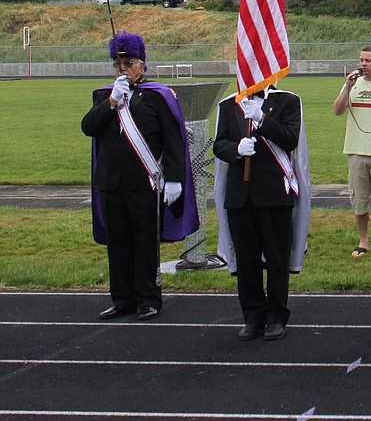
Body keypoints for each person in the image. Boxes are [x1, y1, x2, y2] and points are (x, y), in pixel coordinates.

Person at [81, 31, 198, 321]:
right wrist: (111, 102)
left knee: (145, 242)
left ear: (142, 64)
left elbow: (173, 140)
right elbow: (88, 127)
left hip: (145, 183)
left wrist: (174, 178)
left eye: (129, 63)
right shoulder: (103, 95)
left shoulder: (158, 96)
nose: (123, 69)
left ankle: (149, 298)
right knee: (118, 242)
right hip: (112, 183)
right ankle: (122, 299)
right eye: (119, 65)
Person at [214, 85, 309, 341]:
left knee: (277, 260)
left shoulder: (288, 101)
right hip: (239, 195)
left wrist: (262, 120)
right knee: (247, 261)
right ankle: (253, 315)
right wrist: (235, 150)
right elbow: (219, 143)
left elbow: (290, 139)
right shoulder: (229, 104)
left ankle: (276, 316)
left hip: (274, 193)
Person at [332, 46, 371, 257]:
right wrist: (348, 87)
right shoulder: (353, 84)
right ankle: (363, 242)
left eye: (368, 60)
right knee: (359, 201)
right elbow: (338, 110)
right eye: (361, 60)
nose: (364, 64)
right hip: (356, 151)